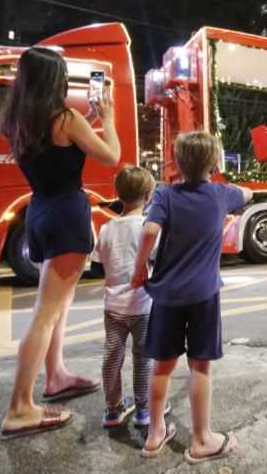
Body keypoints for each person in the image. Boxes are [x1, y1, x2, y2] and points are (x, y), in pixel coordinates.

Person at [0, 47, 121, 440]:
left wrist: (88, 120)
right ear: (56, 81)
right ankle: (19, 408)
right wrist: (109, 118)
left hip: (41, 210)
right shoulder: (65, 118)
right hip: (67, 214)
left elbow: (59, 149)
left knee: (57, 305)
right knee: (45, 313)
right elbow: (112, 156)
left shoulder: (18, 119)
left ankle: (56, 375)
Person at [131, 131, 251, 461]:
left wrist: (139, 269)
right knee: (200, 367)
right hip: (204, 296)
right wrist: (219, 176)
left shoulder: (166, 195)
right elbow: (249, 192)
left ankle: (154, 434)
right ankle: (201, 440)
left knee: (161, 367)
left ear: (177, 163)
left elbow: (149, 231)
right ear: (214, 163)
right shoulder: (221, 194)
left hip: (167, 295)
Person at [91, 167, 172, 428]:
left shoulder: (106, 228)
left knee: (112, 356)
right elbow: (158, 261)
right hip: (143, 306)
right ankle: (144, 409)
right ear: (149, 196)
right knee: (143, 357)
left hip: (113, 307)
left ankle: (113, 409)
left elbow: (100, 260)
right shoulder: (148, 228)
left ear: (118, 194)